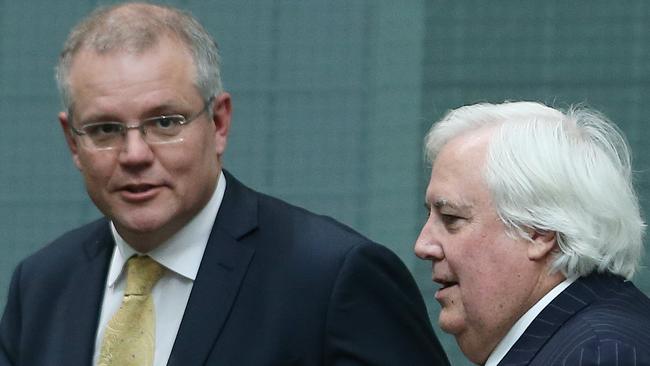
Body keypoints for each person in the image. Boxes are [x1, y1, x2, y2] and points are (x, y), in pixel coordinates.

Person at [0, 3, 449, 365]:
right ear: (72, 142)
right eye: (104, 129)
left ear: (218, 123)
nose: (134, 154)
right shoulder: (41, 285)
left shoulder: (331, 278)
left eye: (165, 122)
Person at [415, 101, 650, 365]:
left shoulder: (597, 354)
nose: (423, 245)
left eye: (450, 218)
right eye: (429, 216)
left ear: (539, 231)